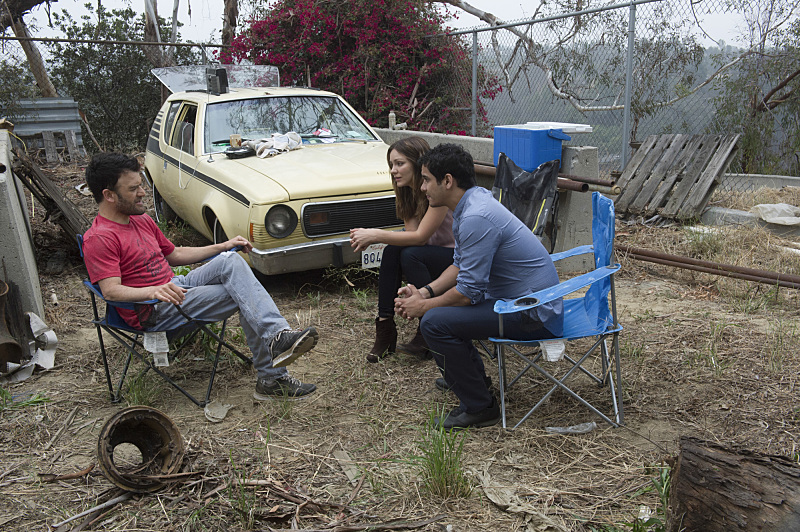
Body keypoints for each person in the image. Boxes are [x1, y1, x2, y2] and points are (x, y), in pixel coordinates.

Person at [82, 152, 319, 400]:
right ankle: (273, 376)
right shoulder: (100, 238)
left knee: (231, 261)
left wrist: (222, 246)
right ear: (109, 195)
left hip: (175, 286)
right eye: (133, 189)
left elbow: (173, 254)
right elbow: (110, 291)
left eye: (141, 184)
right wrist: (152, 292)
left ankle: (277, 337)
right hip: (152, 309)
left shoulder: (140, 220)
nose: (143, 192)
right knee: (243, 293)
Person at [394, 143, 563, 430]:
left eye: (426, 180)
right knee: (437, 315)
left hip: (533, 314)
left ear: (447, 181)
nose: (422, 188)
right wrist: (425, 292)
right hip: (515, 301)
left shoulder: (475, 216)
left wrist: (423, 307)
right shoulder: (471, 203)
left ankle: (480, 407)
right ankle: (473, 382)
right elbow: (459, 267)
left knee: (434, 322)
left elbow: (466, 295)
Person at [350, 137, 455, 362]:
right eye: (391, 165)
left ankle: (428, 327)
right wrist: (382, 239)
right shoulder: (407, 192)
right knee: (394, 250)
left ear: (417, 164)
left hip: (456, 258)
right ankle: (385, 327)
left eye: (399, 164)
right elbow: (410, 236)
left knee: (409, 252)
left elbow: (419, 238)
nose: (393, 170)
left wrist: (374, 234)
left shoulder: (438, 191)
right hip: (430, 254)